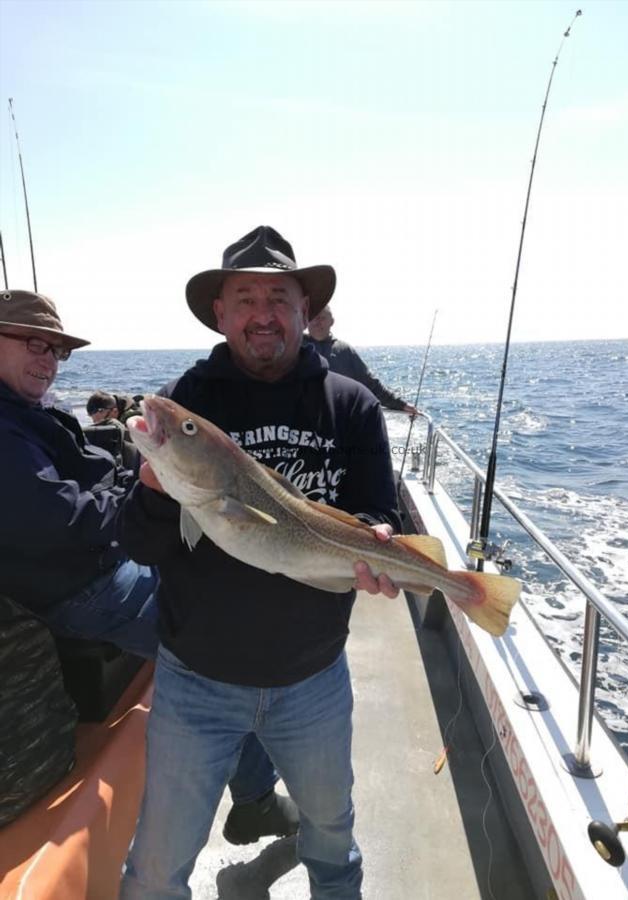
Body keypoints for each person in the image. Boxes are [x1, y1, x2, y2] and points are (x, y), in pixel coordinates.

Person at [118, 225, 401, 899]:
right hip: (195, 685)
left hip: (313, 680)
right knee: (154, 871)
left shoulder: (351, 405)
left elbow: (373, 512)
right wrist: (160, 488)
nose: (262, 313)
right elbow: (138, 545)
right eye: (244, 298)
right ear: (220, 314)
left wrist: (376, 542)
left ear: (306, 311)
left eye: (280, 297)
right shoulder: (188, 404)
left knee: (333, 842)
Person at [0, 289, 291, 844]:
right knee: (226, 650)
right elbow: (60, 520)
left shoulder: (25, 412)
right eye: (33, 344)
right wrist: (147, 496)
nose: (46, 360)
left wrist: (137, 484)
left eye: (56, 351)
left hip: (99, 563)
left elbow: (91, 481)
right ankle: (255, 801)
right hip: (83, 587)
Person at [306, 304, 418, 415]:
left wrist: (400, 404)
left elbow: (371, 384)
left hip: (335, 419)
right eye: (313, 318)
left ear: (332, 321)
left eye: (322, 318)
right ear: (306, 321)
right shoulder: (295, 345)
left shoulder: (345, 351)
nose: (317, 322)